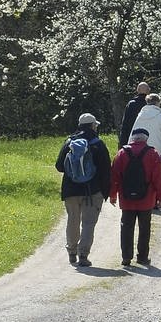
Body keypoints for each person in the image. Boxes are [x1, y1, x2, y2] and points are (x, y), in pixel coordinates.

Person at [54, 112, 110, 267]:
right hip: (92, 191)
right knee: (88, 223)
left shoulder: (69, 142)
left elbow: (59, 166)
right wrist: (106, 191)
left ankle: (72, 252)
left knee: (73, 220)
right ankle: (83, 255)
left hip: (70, 191)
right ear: (93, 125)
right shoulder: (97, 144)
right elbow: (106, 170)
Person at [108, 126, 161, 267]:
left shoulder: (121, 153)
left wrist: (112, 195)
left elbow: (114, 177)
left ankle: (126, 257)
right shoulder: (153, 154)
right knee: (144, 228)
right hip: (146, 199)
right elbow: (159, 178)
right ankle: (142, 257)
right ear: (146, 139)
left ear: (132, 138)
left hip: (126, 198)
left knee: (126, 227)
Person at [132, 94, 161, 205]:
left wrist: (129, 146)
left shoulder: (141, 115)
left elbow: (133, 131)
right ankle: (155, 200)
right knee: (157, 175)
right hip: (158, 151)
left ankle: (144, 197)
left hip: (141, 150)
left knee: (143, 174)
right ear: (157, 102)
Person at [118, 81, 152, 149]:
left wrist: (122, 142)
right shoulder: (151, 105)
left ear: (137, 90)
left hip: (132, 138)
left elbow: (125, 124)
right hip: (149, 139)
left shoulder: (131, 104)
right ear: (148, 91)